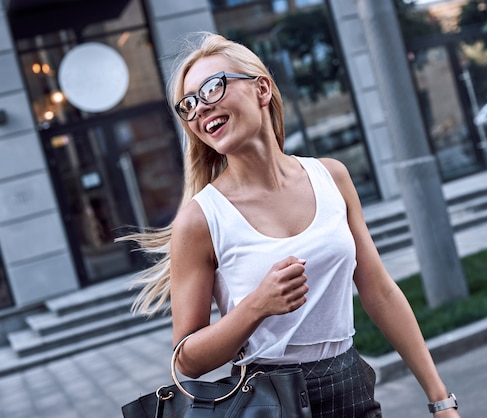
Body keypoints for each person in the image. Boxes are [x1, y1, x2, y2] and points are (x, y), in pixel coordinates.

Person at [121, 32, 461, 418]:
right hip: (269, 399)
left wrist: (440, 400)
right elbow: (187, 359)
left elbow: (379, 291)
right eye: (189, 103)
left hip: (349, 384)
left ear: (262, 88)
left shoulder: (331, 177)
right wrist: (256, 307)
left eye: (213, 88)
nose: (199, 108)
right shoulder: (201, 219)